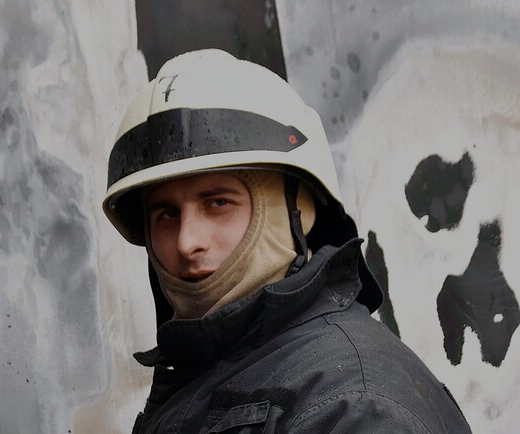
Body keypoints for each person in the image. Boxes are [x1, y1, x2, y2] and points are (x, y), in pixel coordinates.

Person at [102, 49, 471, 433]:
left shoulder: (356, 410)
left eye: (218, 203)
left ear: (299, 207)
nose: (186, 241)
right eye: (166, 214)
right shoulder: (208, 372)